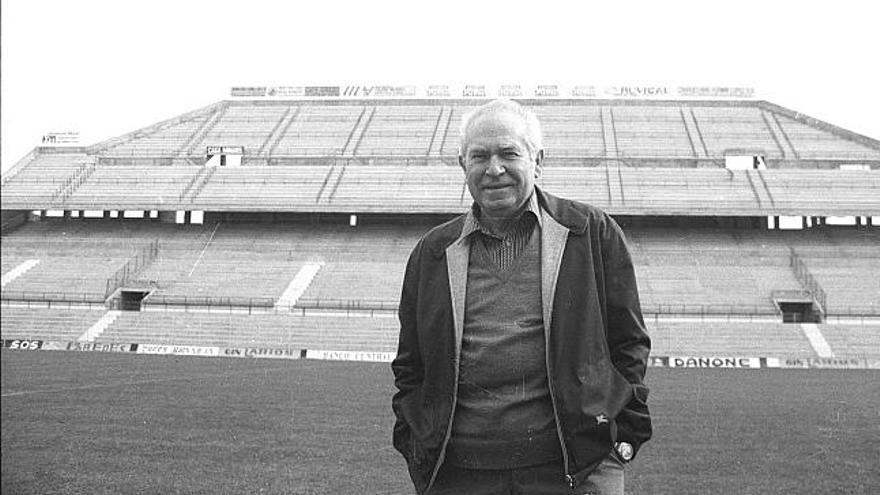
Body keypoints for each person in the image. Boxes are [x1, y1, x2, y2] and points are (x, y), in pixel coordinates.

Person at [392, 99, 651, 495]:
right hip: (459, 473)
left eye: (509, 153)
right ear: (463, 165)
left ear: (537, 160)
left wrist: (618, 439)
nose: (494, 169)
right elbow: (411, 366)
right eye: (479, 156)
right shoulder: (431, 253)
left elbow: (629, 344)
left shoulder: (591, 234)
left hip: (575, 470)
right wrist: (414, 443)